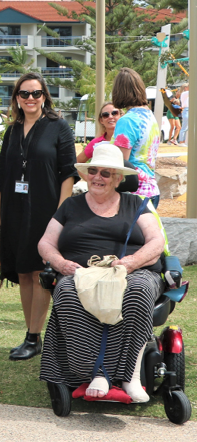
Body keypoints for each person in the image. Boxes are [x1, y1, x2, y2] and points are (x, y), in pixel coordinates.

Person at [38, 144, 165, 403]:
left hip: (131, 271)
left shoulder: (136, 204)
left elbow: (156, 241)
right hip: (83, 273)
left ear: (118, 178)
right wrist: (61, 264)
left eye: (106, 173)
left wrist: (131, 262)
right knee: (66, 292)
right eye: (93, 171)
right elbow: (45, 244)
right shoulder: (70, 206)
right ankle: (97, 372)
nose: (98, 177)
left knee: (137, 292)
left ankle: (130, 376)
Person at [0, 72, 77, 361]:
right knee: (23, 271)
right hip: (14, 208)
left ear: (44, 96)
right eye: (24, 93)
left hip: (46, 209)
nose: (30, 98)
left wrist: (60, 215)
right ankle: (31, 334)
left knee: (41, 272)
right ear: (16, 98)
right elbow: (2, 176)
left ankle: (33, 336)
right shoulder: (12, 132)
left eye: (36, 93)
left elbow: (69, 174)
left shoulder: (59, 127)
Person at [110, 68, 161, 208]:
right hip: (151, 190)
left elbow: (121, 163)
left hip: (133, 194)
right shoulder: (150, 117)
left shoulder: (127, 121)